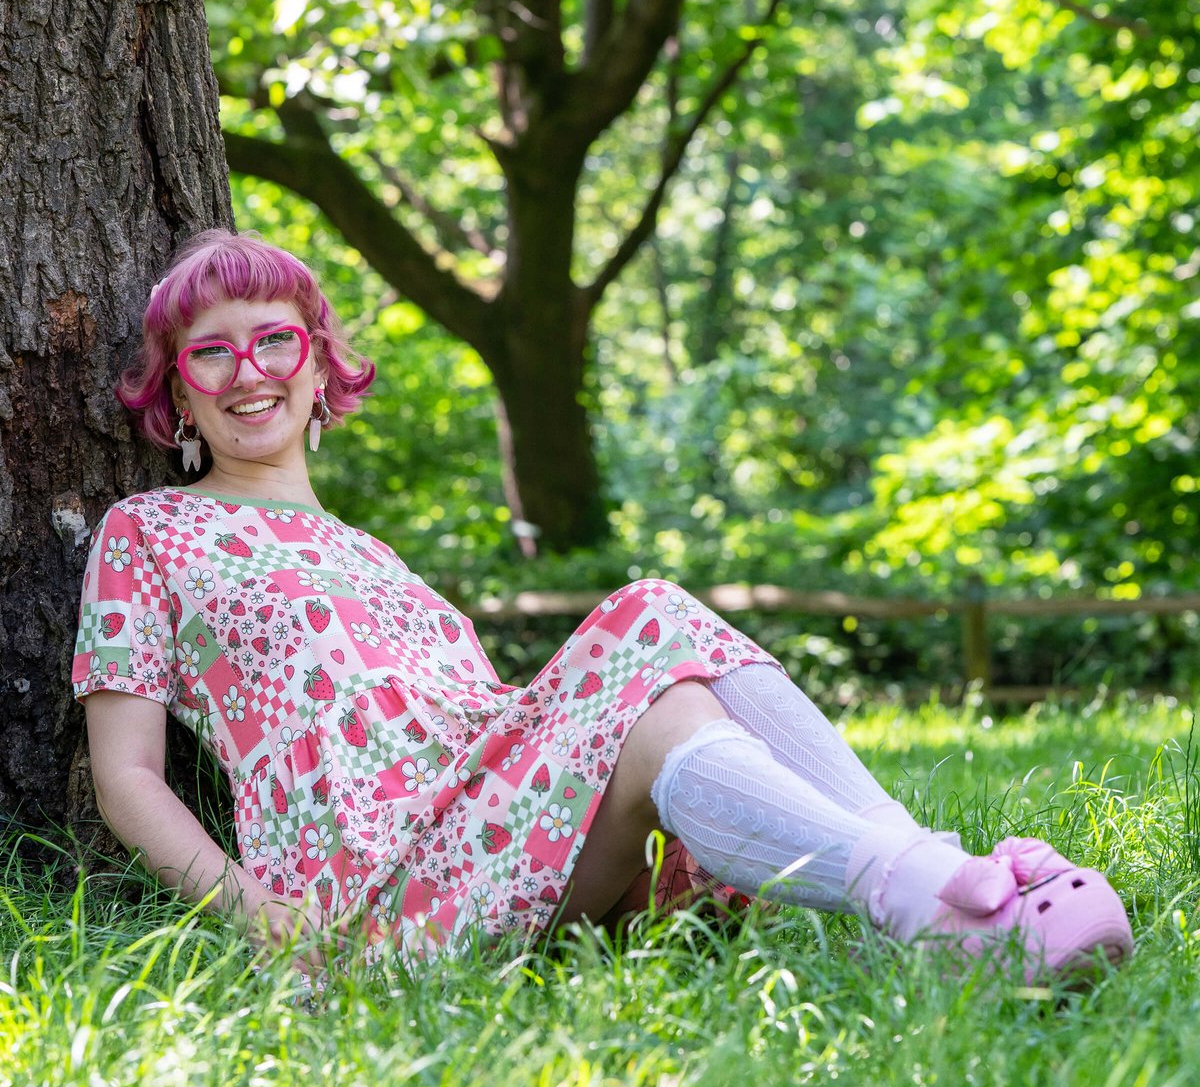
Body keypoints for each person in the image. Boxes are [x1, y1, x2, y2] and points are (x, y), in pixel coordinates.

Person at [72, 228, 1133, 980]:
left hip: (494, 835)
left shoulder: (379, 559)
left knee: (669, 686)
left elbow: (483, 727)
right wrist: (265, 920)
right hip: (375, 893)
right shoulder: (151, 531)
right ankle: (936, 893)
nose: (247, 371)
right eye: (212, 350)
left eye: (274, 340)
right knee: (650, 613)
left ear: (318, 370)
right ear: (180, 391)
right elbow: (127, 778)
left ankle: (935, 889)